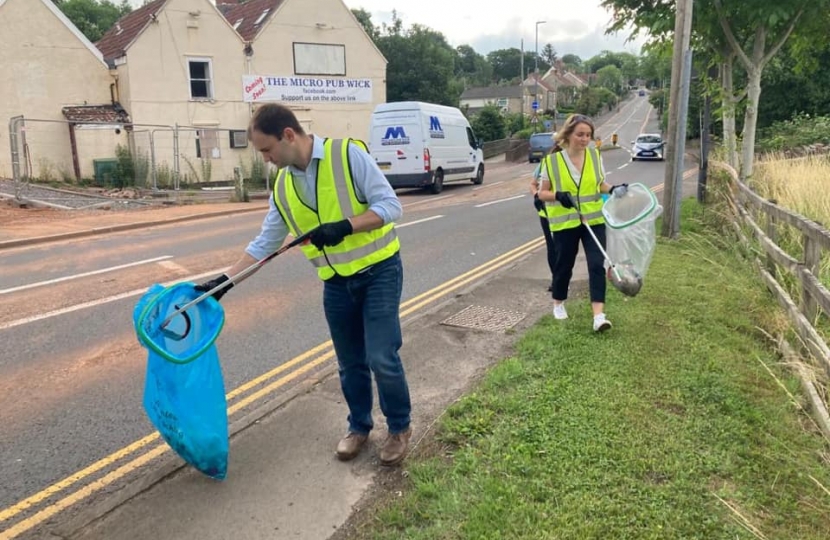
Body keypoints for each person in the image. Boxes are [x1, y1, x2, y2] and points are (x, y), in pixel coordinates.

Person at [195, 104, 413, 466]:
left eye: (267, 150)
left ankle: (399, 428)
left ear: (289, 135)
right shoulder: (282, 187)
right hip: (336, 284)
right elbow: (265, 243)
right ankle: (359, 426)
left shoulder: (348, 156)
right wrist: (224, 282)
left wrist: (345, 226)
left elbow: (391, 206)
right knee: (349, 363)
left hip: (379, 272)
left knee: (381, 357)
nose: (265, 159)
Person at [536, 113, 628, 332]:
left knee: (597, 264)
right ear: (568, 135)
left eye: (588, 135)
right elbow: (542, 193)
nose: (585, 139)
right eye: (580, 135)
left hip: (593, 219)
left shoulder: (595, 156)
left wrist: (613, 189)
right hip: (565, 222)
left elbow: (600, 184)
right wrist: (558, 195)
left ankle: (599, 316)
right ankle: (558, 302)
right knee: (564, 265)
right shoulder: (552, 162)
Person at [529, 155, 556, 292]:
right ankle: (556, 279)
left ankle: (563, 277)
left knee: (565, 249)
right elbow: (533, 184)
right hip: (546, 213)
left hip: (567, 213)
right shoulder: (547, 161)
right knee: (552, 247)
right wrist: (536, 195)